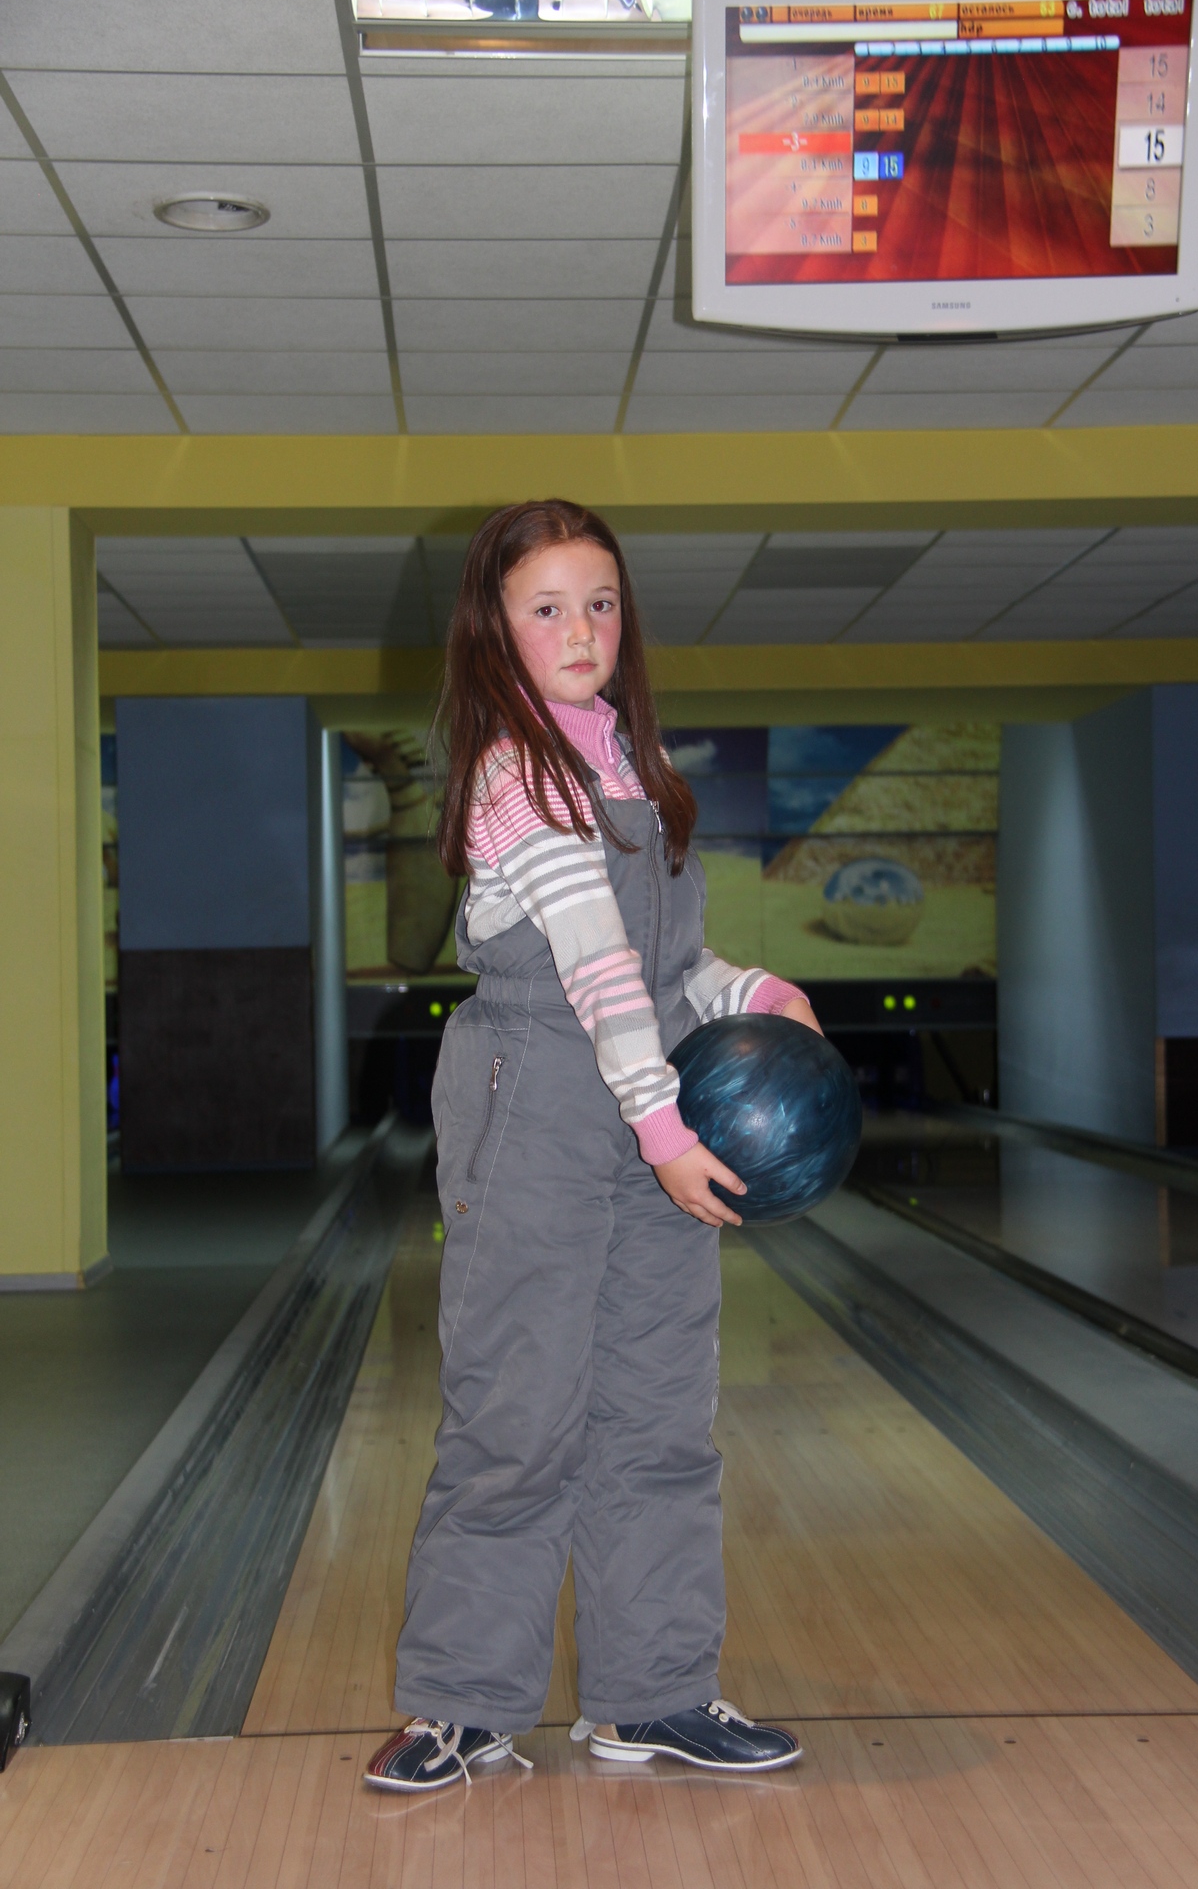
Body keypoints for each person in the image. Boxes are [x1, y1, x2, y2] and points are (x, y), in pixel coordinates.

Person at [365, 499, 822, 1794]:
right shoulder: (516, 775)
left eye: (602, 603)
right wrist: (668, 1130)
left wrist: (752, 993)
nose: (582, 630)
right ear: (494, 630)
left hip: (648, 1095)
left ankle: (655, 1693)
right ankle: (462, 1705)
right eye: (547, 607)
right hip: (541, 1100)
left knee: (663, 1415)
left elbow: (669, 967)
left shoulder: (635, 760)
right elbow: (599, 972)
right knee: (518, 1416)